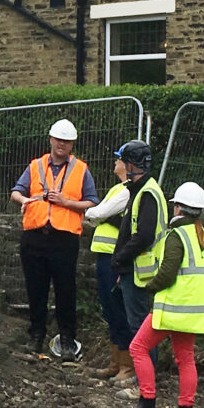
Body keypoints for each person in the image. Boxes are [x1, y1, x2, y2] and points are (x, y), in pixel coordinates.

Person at [113, 181, 204, 408]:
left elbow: (168, 271)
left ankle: (147, 403)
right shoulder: (203, 236)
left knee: (138, 347)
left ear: (178, 208)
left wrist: (149, 287)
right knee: (186, 358)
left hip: (172, 307)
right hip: (194, 311)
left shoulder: (177, 235)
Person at [10, 118, 94, 360]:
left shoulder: (81, 169)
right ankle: (36, 336)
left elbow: (91, 201)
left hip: (64, 239)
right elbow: (17, 190)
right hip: (35, 236)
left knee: (65, 290)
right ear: (50, 140)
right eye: (58, 140)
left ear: (72, 144)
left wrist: (66, 203)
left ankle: (67, 339)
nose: (62, 145)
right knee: (35, 289)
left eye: (67, 141)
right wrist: (23, 199)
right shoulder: (36, 166)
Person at [84, 140, 166, 379]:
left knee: (139, 325)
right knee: (130, 321)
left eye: (123, 160)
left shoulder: (147, 193)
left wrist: (120, 257)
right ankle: (136, 375)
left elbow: (143, 236)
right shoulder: (138, 190)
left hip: (139, 270)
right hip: (132, 268)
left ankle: (142, 379)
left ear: (131, 164)